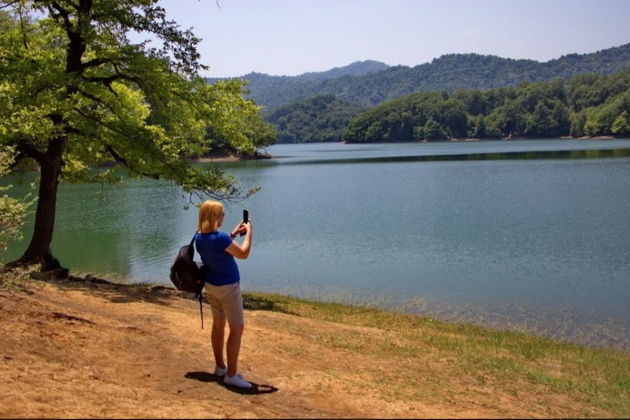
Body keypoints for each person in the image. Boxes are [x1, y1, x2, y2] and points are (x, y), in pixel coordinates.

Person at [195, 200, 253, 389]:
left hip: (211, 286)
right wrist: (249, 232)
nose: (223, 217)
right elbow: (243, 253)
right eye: (221, 214)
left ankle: (220, 367)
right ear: (214, 217)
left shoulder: (199, 237)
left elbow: (218, 247)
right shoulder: (219, 238)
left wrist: (233, 234)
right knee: (237, 328)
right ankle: (232, 375)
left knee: (218, 325)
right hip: (228, 287)